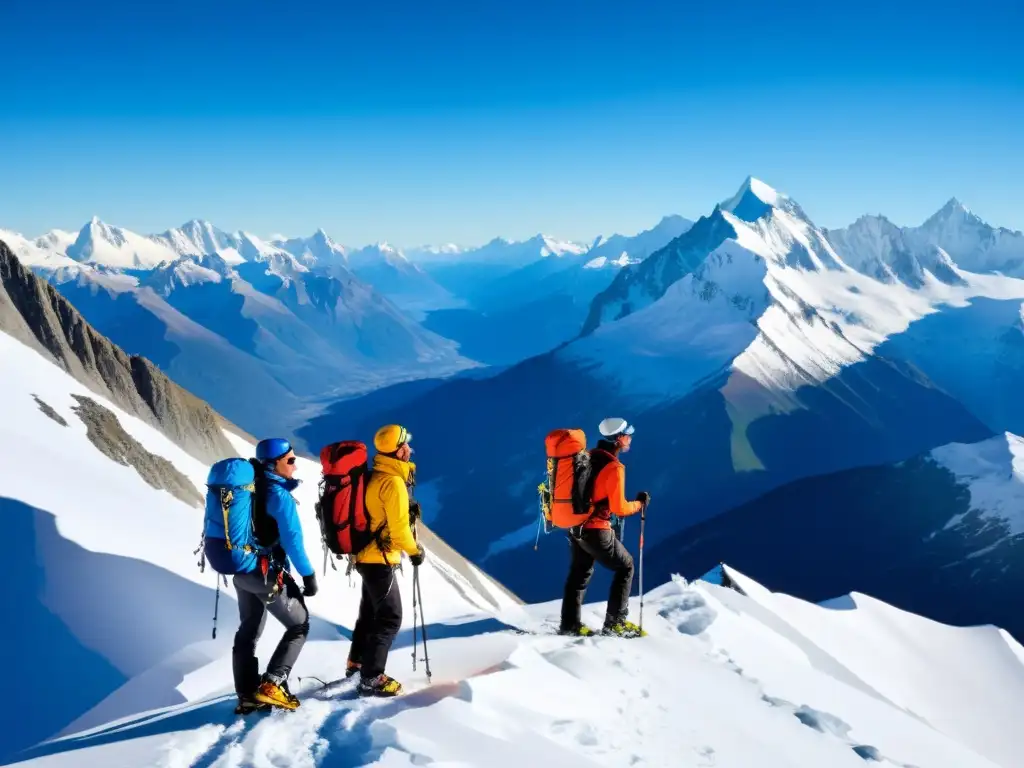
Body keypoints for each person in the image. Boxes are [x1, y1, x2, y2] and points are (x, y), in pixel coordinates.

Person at [232, 438, 318, 714]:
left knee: (248, 632)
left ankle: (246, 695)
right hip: (266, 572)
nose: (295, 465)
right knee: (299, 626)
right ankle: (273, 683)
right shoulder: (278, 495)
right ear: (273, 464)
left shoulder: (248, 488)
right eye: (290, 460)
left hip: (241, 569)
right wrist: (308, 577)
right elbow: (293, 542)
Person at [345, 424, 425, 697]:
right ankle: (371, 676)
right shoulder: (392, 483)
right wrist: (415, 552)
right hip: (380, 558)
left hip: (365, 556)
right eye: (406, 445)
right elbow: (400, 528)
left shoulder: (374, 476)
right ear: (399, 450)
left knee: (369, 613)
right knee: (391, 617)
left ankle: (356, 664)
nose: (410, 449)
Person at [559, 418, 650, 638]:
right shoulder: (614, 467)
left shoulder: (587, 456)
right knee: (626, 566)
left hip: (575, 527)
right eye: (627, 435)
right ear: (618, 439)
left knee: (579, 573)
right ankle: (615, 623)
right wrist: (639, 504)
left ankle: (569, 625)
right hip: (597, 530)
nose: (630, 438)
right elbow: (619, 508)